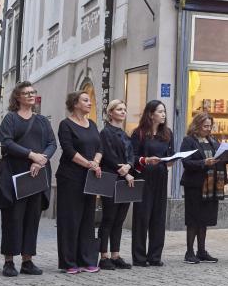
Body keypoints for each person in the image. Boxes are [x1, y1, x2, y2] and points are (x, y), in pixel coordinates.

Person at [0, 81, 57, 277]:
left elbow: (52, 143)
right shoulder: (10, 118)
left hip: (37, 174)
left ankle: (27, 260)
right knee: (12, 218)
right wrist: (31, 155)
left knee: (32, 218)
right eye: (26, 93)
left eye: (32, 92)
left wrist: (41, 160)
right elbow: (7, 142)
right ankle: (8, 261)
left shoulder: (42, 120)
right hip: (15, 174)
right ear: (18, 97)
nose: (31, 95)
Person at [56, 91, 103, 274]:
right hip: (70, 177)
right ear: (75, 103)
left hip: (89, 178)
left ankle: (87, 259)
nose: (89, 103)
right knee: (71, 219)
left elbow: (100, 147)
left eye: (89, 100)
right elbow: (68, 150)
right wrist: (89, 164)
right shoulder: (66, 125)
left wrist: (96, 162)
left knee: (87, 219)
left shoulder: (92, 124)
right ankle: (69, 261)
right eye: (85, 100)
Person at [180, 113, 228, 264]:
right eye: (205, 126)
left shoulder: (213, 140)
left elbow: (219, 158)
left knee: (204, 219)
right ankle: (189, 252)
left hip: (211, 184)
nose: (208, 129)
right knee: (193, 218)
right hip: (195, 185)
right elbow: (186, 162)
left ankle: (201, 251)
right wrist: (204, 162)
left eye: (210, 126)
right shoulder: (189, 141)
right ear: (197, 126)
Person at [131, 100, 175, 266]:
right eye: (160, 111)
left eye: (164, 112)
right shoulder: (139, 133)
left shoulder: (167, 133)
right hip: (144, 177)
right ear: (150, 114)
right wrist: (146, 159)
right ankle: (139, 257)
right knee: (142, 217)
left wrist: (172, 160)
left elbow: (170, 155)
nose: (163, 115)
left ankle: (155, 256)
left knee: (158, 216)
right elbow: (132, 157)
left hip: (161, 177)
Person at [98, 99, 135, 270]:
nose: (123, 112)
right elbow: (108, 156)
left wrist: (129, 165)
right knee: (109, 218)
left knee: (119, 219)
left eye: (124, 109)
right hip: (112, 178)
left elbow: (131, 154)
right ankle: (103, 256)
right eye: (119, 109)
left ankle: (116, 254)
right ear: (110, 112)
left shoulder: (125, 134)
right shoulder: (105, 133)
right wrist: (125, 172)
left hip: (125, 179)